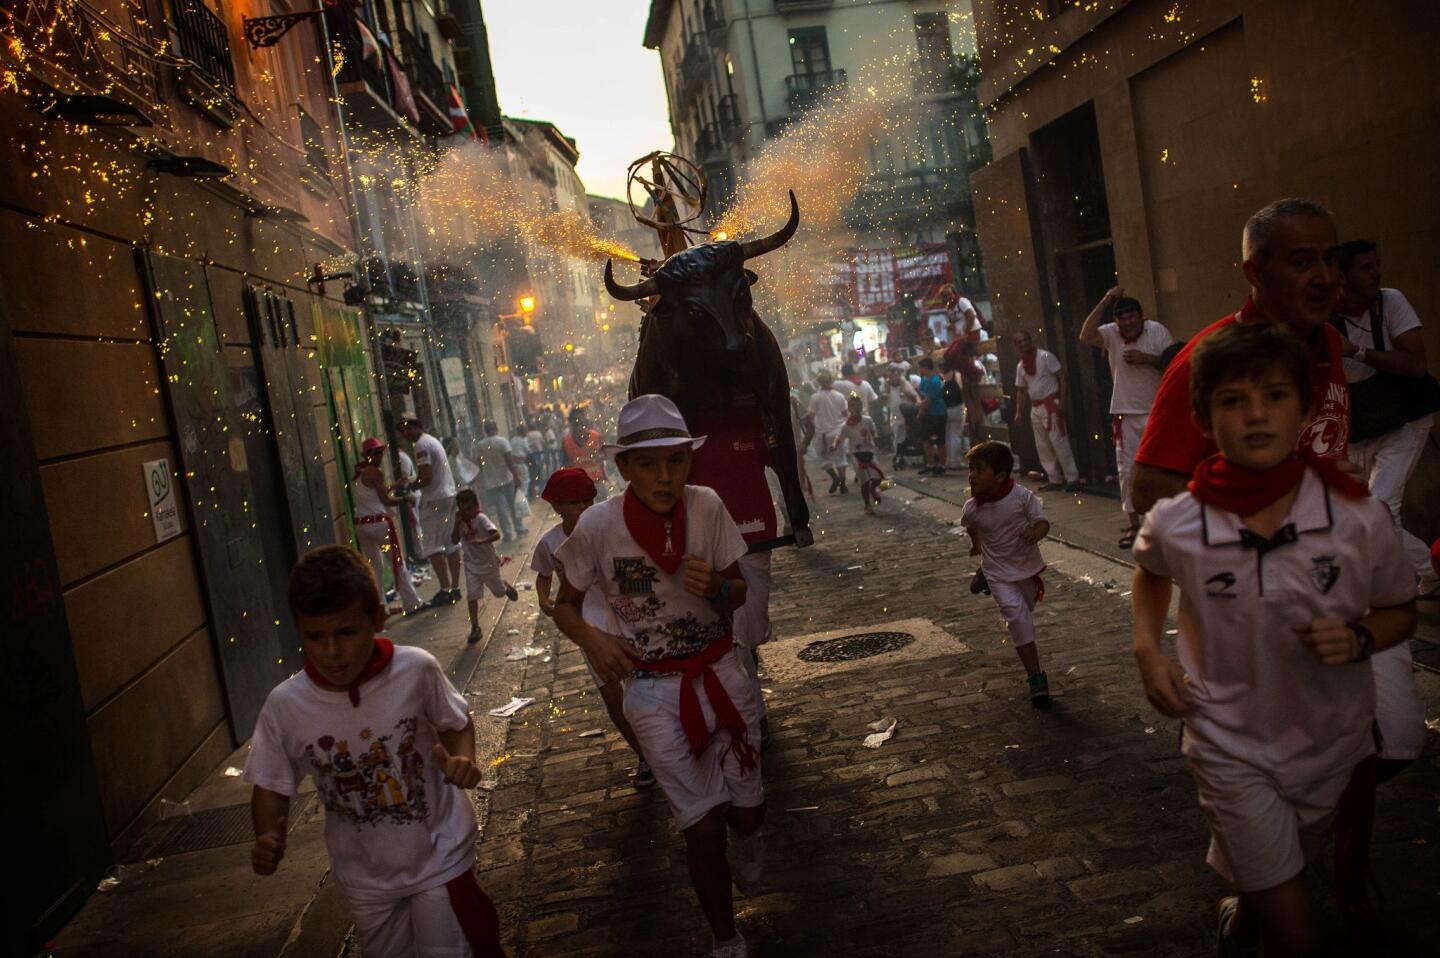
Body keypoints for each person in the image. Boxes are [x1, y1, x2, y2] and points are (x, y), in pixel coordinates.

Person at [1129, 322, 1416, 957]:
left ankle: (1240, 925)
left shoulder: (1357, 517)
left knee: (1275, 880)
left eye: (1275, 396)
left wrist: (1363, 636)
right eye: (1233, 400)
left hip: (1332, 744)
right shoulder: (1179, 521)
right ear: (1203, 418)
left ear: (1306, 409)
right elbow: (1148, 578)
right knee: (1299, 934)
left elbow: (1401, 610)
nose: (1256, 415)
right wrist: (1148, 651)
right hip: (1228, 743)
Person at [552, 395, 760, 958]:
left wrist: (717, 588)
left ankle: (737, 811)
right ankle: (726, 940)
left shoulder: (708, 506)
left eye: (675, 461)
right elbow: (563, 603)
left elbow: (739, 588)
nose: (664, 477)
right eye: (648, 464)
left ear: (689, 461)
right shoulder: (598, 526)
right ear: (623, 468)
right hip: (651, 693)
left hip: (722, 672)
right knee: (703, 830)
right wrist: (595, 640)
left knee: (745, 817)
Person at [245, 545, 506, 958]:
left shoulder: (416, 669)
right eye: (315, 637)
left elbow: (455, 724)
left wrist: (464, 760)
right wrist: (267, 833)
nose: (331, 651)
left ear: (377, 618)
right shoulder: (286, 705)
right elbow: (271, 782)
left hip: (439, 854)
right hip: (364, 874)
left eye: (346, 632)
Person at [532, 467, 655, 789]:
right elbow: (543, 574)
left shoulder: (610, 528)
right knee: (613, 695)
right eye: (574, 504)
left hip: (628, 615)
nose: (582, 510)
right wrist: (545, 599)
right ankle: (645, 757)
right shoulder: (550, 543)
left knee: (646, 682)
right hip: (589, 623)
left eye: (587, 502)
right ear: (557, 507)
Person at [1334, 239, 1439, 593]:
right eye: (1365, 268)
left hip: (1404, 420)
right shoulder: (1324, 315)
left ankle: (1411, 580)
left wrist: (1359, 353)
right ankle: (1432, 571)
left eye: (1377, 264)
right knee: (1366, 514)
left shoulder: (1391, 301)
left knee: (1379, 509)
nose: (1376, 273)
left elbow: (1415, 362)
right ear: (1341, 277)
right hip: (1361, 424)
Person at [1079, 287, 1176, 545]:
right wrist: (1104, 301)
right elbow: (1085, 335)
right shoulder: (1111, 333)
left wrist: (1146, 359)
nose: (1127, 322)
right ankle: (1134, 524)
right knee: (1127, 470)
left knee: (1163, 467)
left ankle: (1167, 522)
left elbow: (1173, 362)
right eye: (1122, 318)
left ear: (1141, 317)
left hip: (1157, 409)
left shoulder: (1156, 331)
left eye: (1132, 317)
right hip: (1125, 412)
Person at [961, 441, 1053, 705]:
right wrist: (976, 545)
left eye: (979, 470)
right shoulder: (972, 508)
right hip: (998, 572)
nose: (972, 475)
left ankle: (982, 574)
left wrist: (1035, 533)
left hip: (1025, 567)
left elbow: (1043, 522)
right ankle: (1035, 676)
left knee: (1027, 606)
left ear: (1000, 477)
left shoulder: (1021, 497)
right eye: (971, 469)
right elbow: (971, 526)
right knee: (1017, 616)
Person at [351, 437, 424, 615]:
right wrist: (407, 498)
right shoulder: (375, 472)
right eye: (375, 453)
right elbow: (385, 500)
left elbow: (374, 494)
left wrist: (393, 486)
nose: (378, 456)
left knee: (374, 569)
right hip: (379, 526)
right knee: (398, 563)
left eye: (379, 453)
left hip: (363, 526)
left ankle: (380, 610)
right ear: (368, 455)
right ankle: (412, 603)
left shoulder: (361, 472)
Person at [398, 417, 461, 607]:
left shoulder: (421, 445)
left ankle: (445, 589)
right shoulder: (431, 441)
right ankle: (455, 588)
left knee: (433, 546)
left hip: (434, 499)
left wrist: (411, 485)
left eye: (408, 429)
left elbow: (426, 477)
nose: (405, 434)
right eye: (403, 431)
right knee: (450, 543)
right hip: (447, 494)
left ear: (418, 426)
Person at [1012, 330, 1079, 492]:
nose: (1023, 344)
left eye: (1025, 340)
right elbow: (1021, 390)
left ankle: (1072, 478)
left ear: (1030, 340)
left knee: (1059, 442)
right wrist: (1019, 411)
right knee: (1042, 445)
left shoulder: (1045, 357)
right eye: (1019, 342)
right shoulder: (1020, 366)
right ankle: (1054, 478)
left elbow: (1062, 376)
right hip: (1035, 408)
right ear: (1016, 346)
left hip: (1051, 404)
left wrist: (1062, 401)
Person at [451, 489, 519, 644]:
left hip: (488, 564)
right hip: (471, 565)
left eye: (469, 509)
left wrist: (482, 541)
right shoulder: (460, 522)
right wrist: (456, 524)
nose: (466, 513)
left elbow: (496, 534)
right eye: (463, 510)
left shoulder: (481, 518)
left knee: (499, 593)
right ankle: (475, 626)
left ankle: (504, 586)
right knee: (472, 596)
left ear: (476, 506)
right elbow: (454, 540)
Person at [474, 421, 525, 543]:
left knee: (500, 509)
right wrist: (516, 475)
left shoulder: (480, 445)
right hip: (506, 478)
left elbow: (479, 464)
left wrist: (483, 478)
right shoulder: (502, 441)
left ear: (485, 430)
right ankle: (519, 528)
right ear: (496, 428)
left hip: (491, 482)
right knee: (512, 506)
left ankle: (507, 533)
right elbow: (509, 461)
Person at [805, 371, 850, 494]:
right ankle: (843, 484)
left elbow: (811, 416)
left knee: (825, 459)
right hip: (839, 433)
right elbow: (846, 414)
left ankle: (835, 478)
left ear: (819, 382)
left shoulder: (815, 397)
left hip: (823, 434)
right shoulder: (839, 396)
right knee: (841, 459)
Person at [839, 393, 884, 514]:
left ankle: (873, 490)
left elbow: (873, 432)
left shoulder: (867, 420)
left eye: (858, 405)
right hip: (856, 454)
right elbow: (840, 438)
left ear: (861, 406)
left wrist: (877, 438)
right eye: (853, 406)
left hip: (869, 452)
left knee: (878, 477)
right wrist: (833, 445)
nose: (856, 408)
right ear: (849, 408)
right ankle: (867, 505)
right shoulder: (846, 425)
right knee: (864, 480)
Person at [564, 406, 608, 500]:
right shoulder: (566, 442)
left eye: (579, 419)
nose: (577, 422)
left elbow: (605, 455)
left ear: (584, 420)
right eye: (574, 420)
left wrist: (599, 456)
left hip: (598, 483)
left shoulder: (596, 436)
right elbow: (566, 464)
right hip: (579, 485)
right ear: (570, 423)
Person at [915, 356, 949, 475]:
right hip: (928, 414)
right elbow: (921, 394)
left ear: (925, 368)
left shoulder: (936, 381)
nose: (919, 370)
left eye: (920, 368)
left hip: (937, 413)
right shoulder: (924, 380)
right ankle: (930, 464)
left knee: (939, 441)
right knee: (926, 440)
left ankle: (942, 465)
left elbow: (929, 400)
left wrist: (920, 412)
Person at [881, 366, 920, 469]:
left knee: (908, 436)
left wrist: (905, 391)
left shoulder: (905, 384)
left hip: (907, 415)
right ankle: (899, 457)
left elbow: (915, 398)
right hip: (895, 415)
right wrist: (886, 390)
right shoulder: (886, 386)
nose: (894, 378)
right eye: (891, 376)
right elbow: (883, 400)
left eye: (896, 375)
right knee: (897, 436)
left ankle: (907, 458)